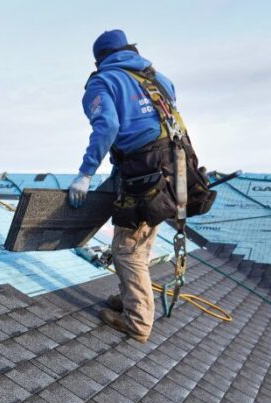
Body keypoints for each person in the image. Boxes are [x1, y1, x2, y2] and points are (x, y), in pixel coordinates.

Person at [67, 29, 208, 343]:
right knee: (142, 238)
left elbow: (109, 125)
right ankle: (132, 298)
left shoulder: (103, 81)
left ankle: (137, 321)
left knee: (125, 250)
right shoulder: (157, 78)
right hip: (177, 166)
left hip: (144, 170)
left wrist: (85, 173)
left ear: (99, 59)